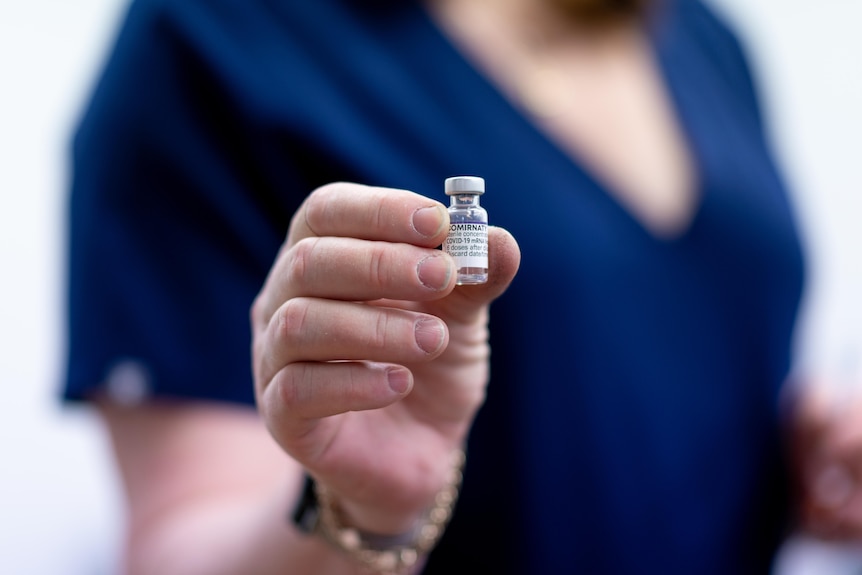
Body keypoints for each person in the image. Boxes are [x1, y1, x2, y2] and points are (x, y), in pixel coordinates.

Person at [63, 0, 862, 573]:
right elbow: (181, 545)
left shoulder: (701, 40)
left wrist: (809, 461)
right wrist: (362, 510)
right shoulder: (218, 44)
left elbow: (655, 356)